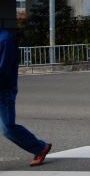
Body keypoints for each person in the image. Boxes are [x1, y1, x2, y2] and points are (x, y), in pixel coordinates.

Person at [0, 28, 52, 166]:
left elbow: (3, 71)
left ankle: (40, 148)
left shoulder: (5, 40)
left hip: (4, 90)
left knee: (8, 128)